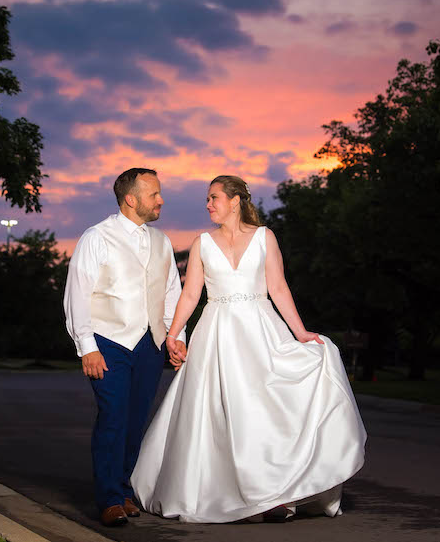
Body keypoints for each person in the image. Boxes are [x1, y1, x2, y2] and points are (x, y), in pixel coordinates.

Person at [131, 175, 366, 523]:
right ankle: (224, 492)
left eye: (214, 198)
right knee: (222, 413)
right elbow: (192, 294)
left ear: (236, 200)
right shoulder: (202, 243)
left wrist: (300, 332)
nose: (208, 205)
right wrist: (174, 333)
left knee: (263, 409)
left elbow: (279, 287)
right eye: (207, 200)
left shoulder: (264, 237)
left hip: (260, 330)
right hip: (217, 333)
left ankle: (278, 496)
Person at [63, 167, 186, 527]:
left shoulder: (162, 241)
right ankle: (109, 498)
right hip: (108, 342)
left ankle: (124, 489)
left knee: (136, 421)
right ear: (131, 199)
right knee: (113, 417)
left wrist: (174, 338)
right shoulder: (96, 237)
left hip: (150, 344)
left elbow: (170, 293)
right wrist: (87, 346)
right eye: (154, 195)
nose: (161, 200)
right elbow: (77, 295)